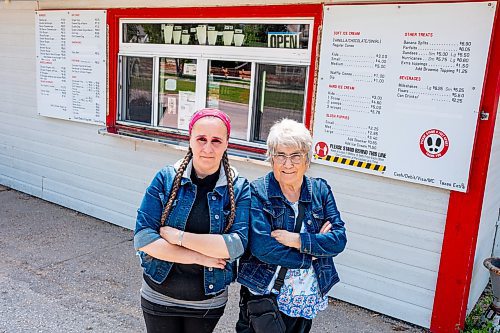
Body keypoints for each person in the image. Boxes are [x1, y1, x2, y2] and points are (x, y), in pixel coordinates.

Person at [134, 108, 250, 333]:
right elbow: (144, 239)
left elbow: (235, 246)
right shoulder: (166, 179)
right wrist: (200, 256)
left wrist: (178, 237)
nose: (208, 148)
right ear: (190, 140)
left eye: (216, 140)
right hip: (158, 296)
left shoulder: (238, 188)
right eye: (201, 139)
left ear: (227, 143)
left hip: (207, 302)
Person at [236, 119, 347, 333]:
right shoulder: (258, 192)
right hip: (265, 293)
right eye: (281, 155)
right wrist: (311, 253)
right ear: (271, 159)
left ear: (307, 159)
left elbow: (339, 239)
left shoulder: (320, 191)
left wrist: (296, 240)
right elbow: (263, 248)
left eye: (296, 155)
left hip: (306, 295)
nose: (288, 164)